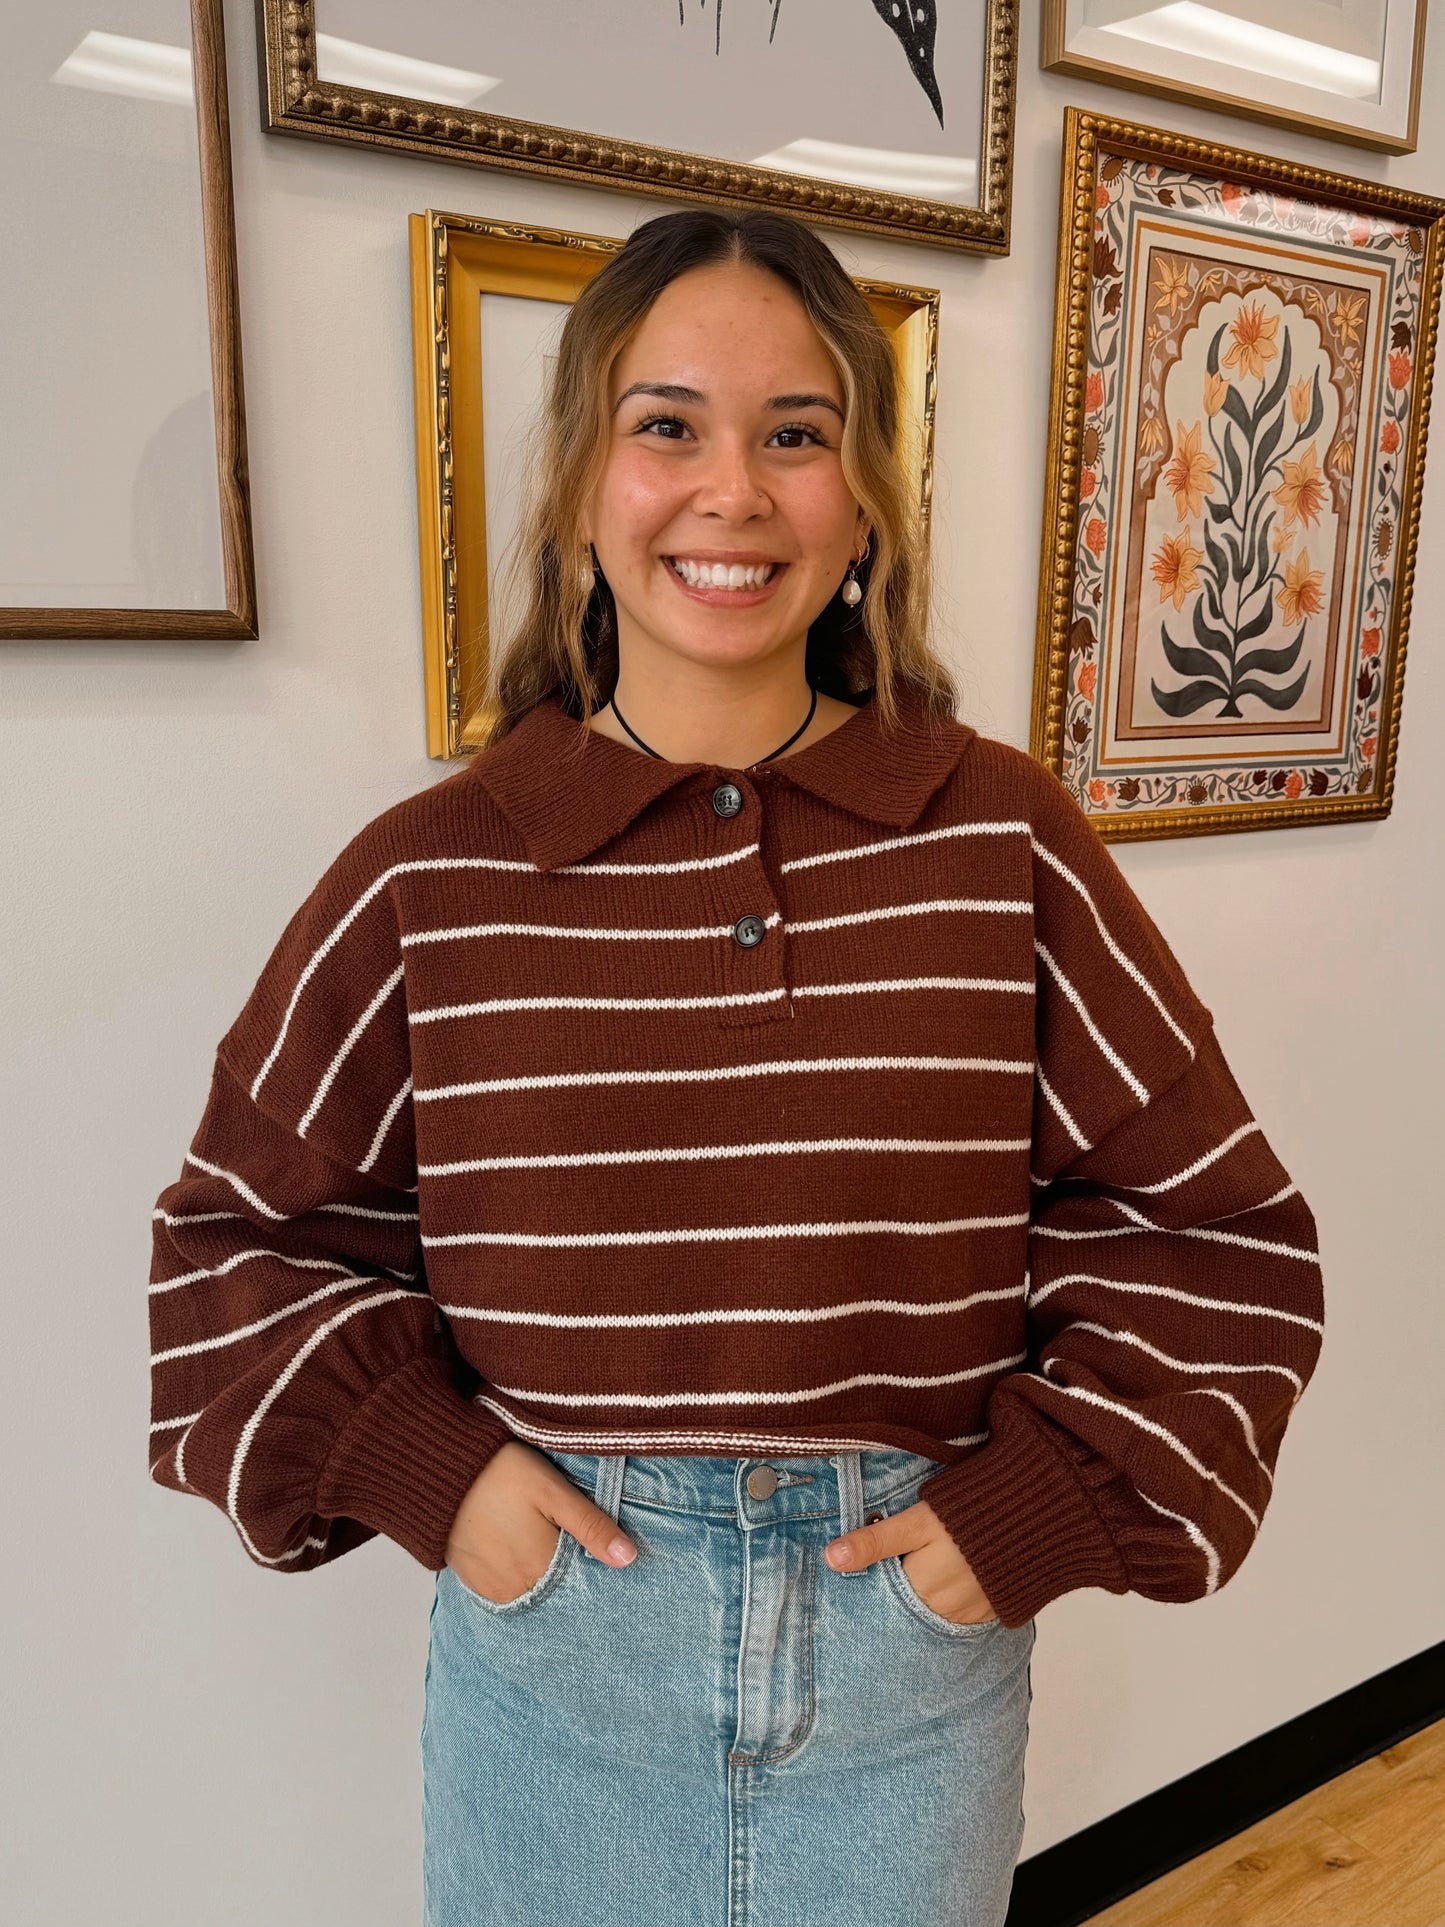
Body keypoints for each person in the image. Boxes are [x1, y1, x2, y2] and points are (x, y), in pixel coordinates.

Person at [147, 207, 1326, 1927]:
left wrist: (1031, 1510)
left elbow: (1213, 1235)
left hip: (903, 1671)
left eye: (797, 432)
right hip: (558, 1668)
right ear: (579, 483)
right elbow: (232, 1241)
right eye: (666, 424)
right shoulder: (433, 874)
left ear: (862, 500)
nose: (733, 489)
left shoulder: (1000, 839)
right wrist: (435, 1471)